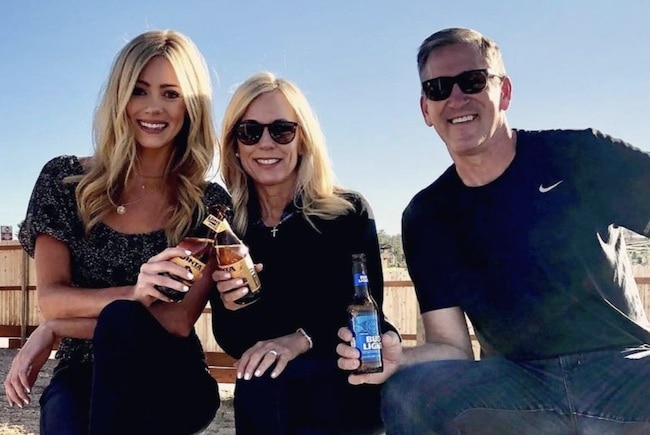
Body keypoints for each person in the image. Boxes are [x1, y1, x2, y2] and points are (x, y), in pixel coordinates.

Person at [336, 27, 650, 434]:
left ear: (503, 92)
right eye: (438, 88)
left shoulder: (579, 154)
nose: (456, 98)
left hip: (623, 371)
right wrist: (398, 358)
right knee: (408, 391)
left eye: (472, 80)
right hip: (520, 385)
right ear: (425, 110)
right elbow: (452, 347)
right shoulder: (427, 214)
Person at [3, 30, 230, 435]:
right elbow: (53, 300)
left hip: (171, 371)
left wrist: (57, 328)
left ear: (191, 106)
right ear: (119, 97)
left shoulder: (207, 202)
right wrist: (134, 294)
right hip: (82, 369)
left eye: (171, 94)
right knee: (65, 417)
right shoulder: (63, 181)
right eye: (139, 90)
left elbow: (177, 320)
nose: (154, 108)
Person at [210, 71, 396, 434]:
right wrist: (233, 306)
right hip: (268, 393)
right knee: (258, 377)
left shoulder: (347, 212)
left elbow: (366, 313)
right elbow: (233, 341)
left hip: (337, 382)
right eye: (250, 131)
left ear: (303, 140)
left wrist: (300, 340)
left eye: (281, 130)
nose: (266, 143)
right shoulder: (227, 228)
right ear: (234, 144)